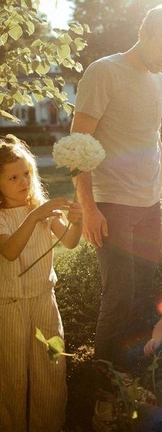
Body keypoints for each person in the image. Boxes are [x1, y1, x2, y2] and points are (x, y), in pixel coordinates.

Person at [71, 3, 162, 368]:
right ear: (142, 33)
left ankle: (132, 371)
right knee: (119, 295)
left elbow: (153, 140)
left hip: (148, 205)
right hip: (112, 204)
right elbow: (79, 146)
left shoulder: (159, 80)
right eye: (161, 47)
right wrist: (89, 208)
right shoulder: (104, 73)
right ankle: (103, 378)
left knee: (140, 294)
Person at [0, 135, 82, 432]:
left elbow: (71, 241)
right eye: (12, 177)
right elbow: (9, 252)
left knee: (50, 372)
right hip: (10, 308)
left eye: (27, 174)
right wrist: (35, 216)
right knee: (12, 379)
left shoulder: (41, 208)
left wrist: (78, 220)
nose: (23, 182)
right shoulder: (4, 217)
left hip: (44, 303)